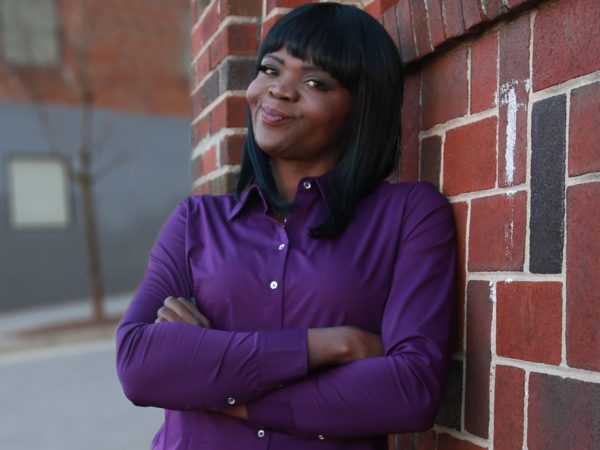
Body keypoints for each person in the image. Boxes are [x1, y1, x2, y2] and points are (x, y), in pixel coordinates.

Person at [116, 3, 456, 449]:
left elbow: (410, 390)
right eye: (270, 69)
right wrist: (334, 345)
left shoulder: (410, 216)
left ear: (359, 109)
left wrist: (220, 385)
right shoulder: (196, 222)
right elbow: (140, 366)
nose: (279, 91)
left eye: (315, 81)